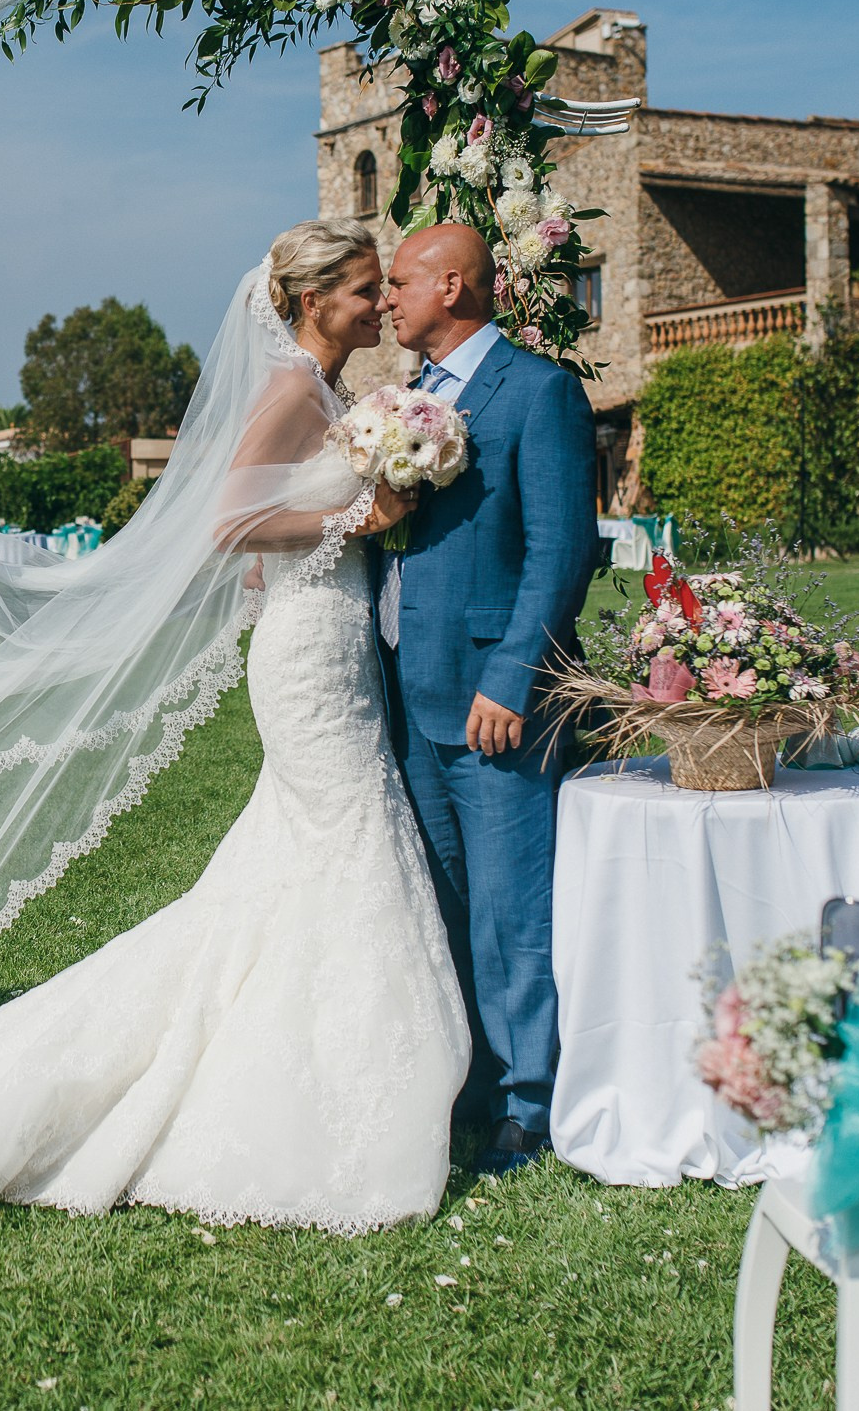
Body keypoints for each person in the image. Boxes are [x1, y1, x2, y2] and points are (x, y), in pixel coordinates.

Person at [0, 218, 470, 1233]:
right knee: (345, 838)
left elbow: (264, 529)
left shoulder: (332, 395)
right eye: (366, 289)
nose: (379, 306)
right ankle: (331, 1094)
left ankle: (323, 1068)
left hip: (336, 639)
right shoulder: (291, 390)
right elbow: (229, 524)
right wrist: (356, 518)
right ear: (314, 299)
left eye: (382, 289)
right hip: (305, 656)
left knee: (303, 856)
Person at [376, 221, 599, 1174]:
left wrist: (513, 676)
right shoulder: (409, 398)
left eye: (400, 282)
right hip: (408, 690)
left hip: (492, 698)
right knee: (447, 898)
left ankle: (529, 1100)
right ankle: (469, 1079)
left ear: (453, 286)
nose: (387, 298)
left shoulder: (539, 392)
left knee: (511, 908)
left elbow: (561, 550)